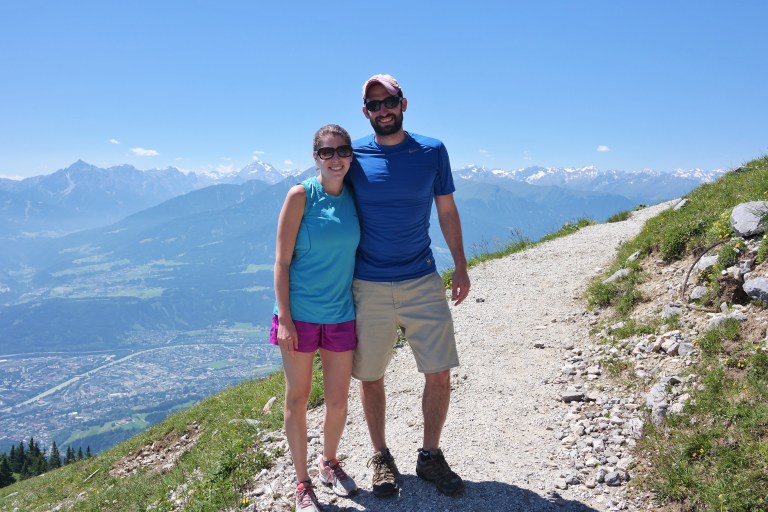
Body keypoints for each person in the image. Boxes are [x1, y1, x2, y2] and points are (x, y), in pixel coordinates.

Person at [345, 74, 470, 498]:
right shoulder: (353, 155)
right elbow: (330, 207)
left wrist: (461, 265)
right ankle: (381, 456)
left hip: (422, 278)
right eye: (374, 104)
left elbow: (447, 211)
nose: (383, 110)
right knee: (370, 375)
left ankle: (430, 456)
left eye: (389, 101)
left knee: (439, 373)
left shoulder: (432, 151)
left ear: (403, 103)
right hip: (368, 283)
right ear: (365, 111)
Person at [271, 124, 360, 512]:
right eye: (327, 152)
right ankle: (302, 482)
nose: (336, 158)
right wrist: (285, 319)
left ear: (351, 154)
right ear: (315, 157)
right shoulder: (300, 196)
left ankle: (329, 462)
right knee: (298, 399)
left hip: (340, 314)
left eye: (342, 150)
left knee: (338, 400)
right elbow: (281, 261)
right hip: (300, 317)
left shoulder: (356, 196)